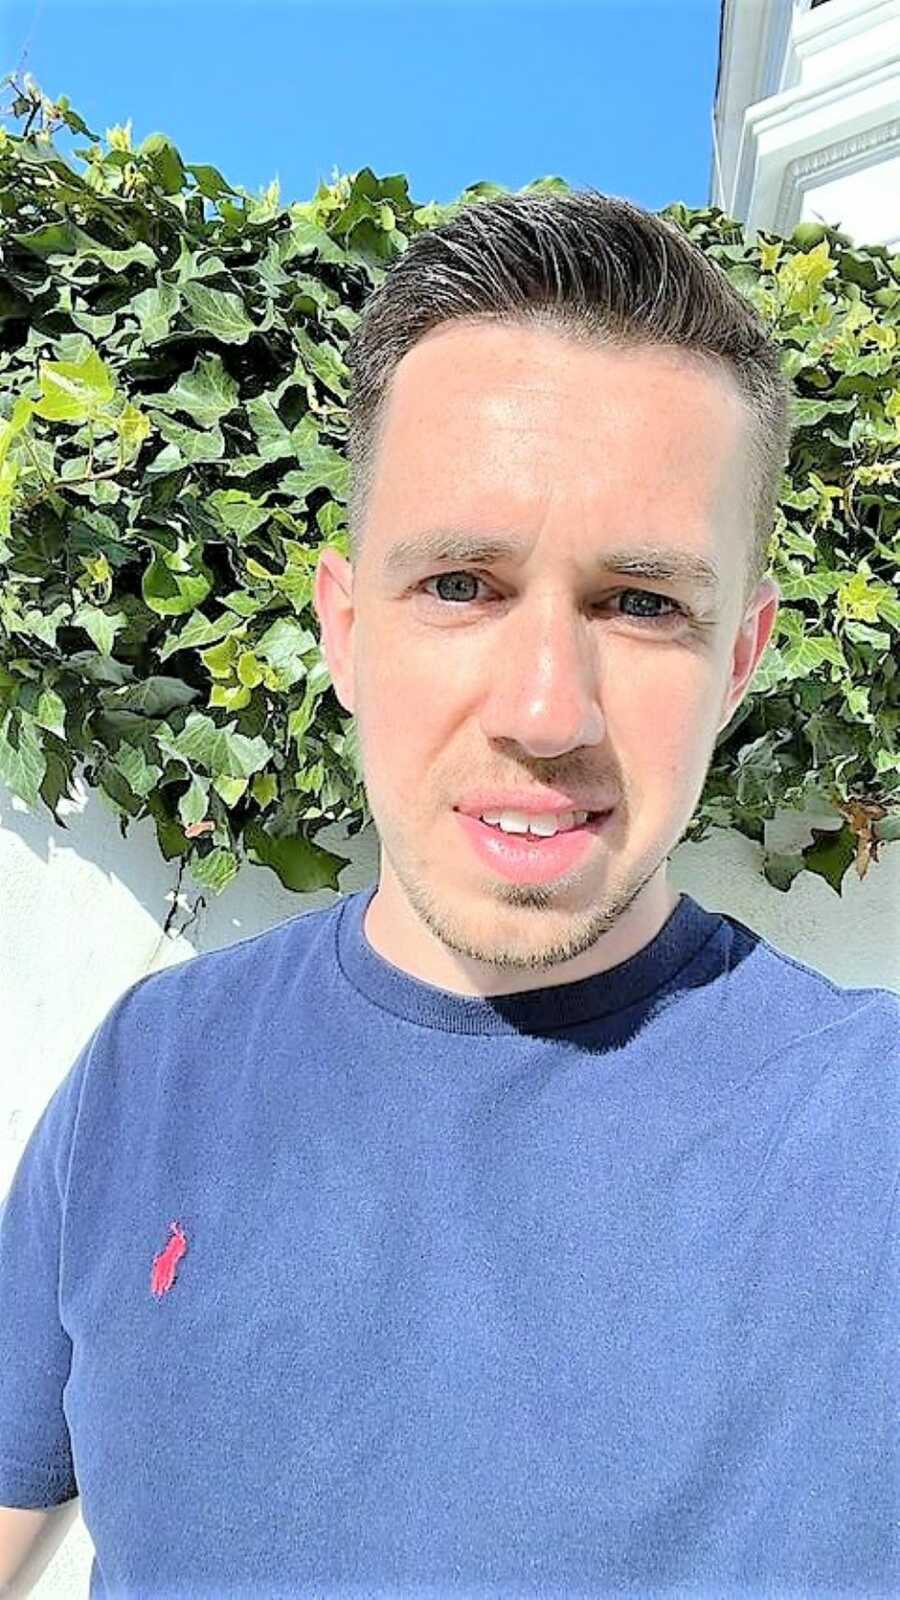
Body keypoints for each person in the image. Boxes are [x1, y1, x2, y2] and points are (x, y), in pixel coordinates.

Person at [1, 188, 897, 1600]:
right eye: (463, 584)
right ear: (345, 632)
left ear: (740, 660)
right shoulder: (145, 1078)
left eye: (644, 603)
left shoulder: (869, 1138)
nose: (546, 711)